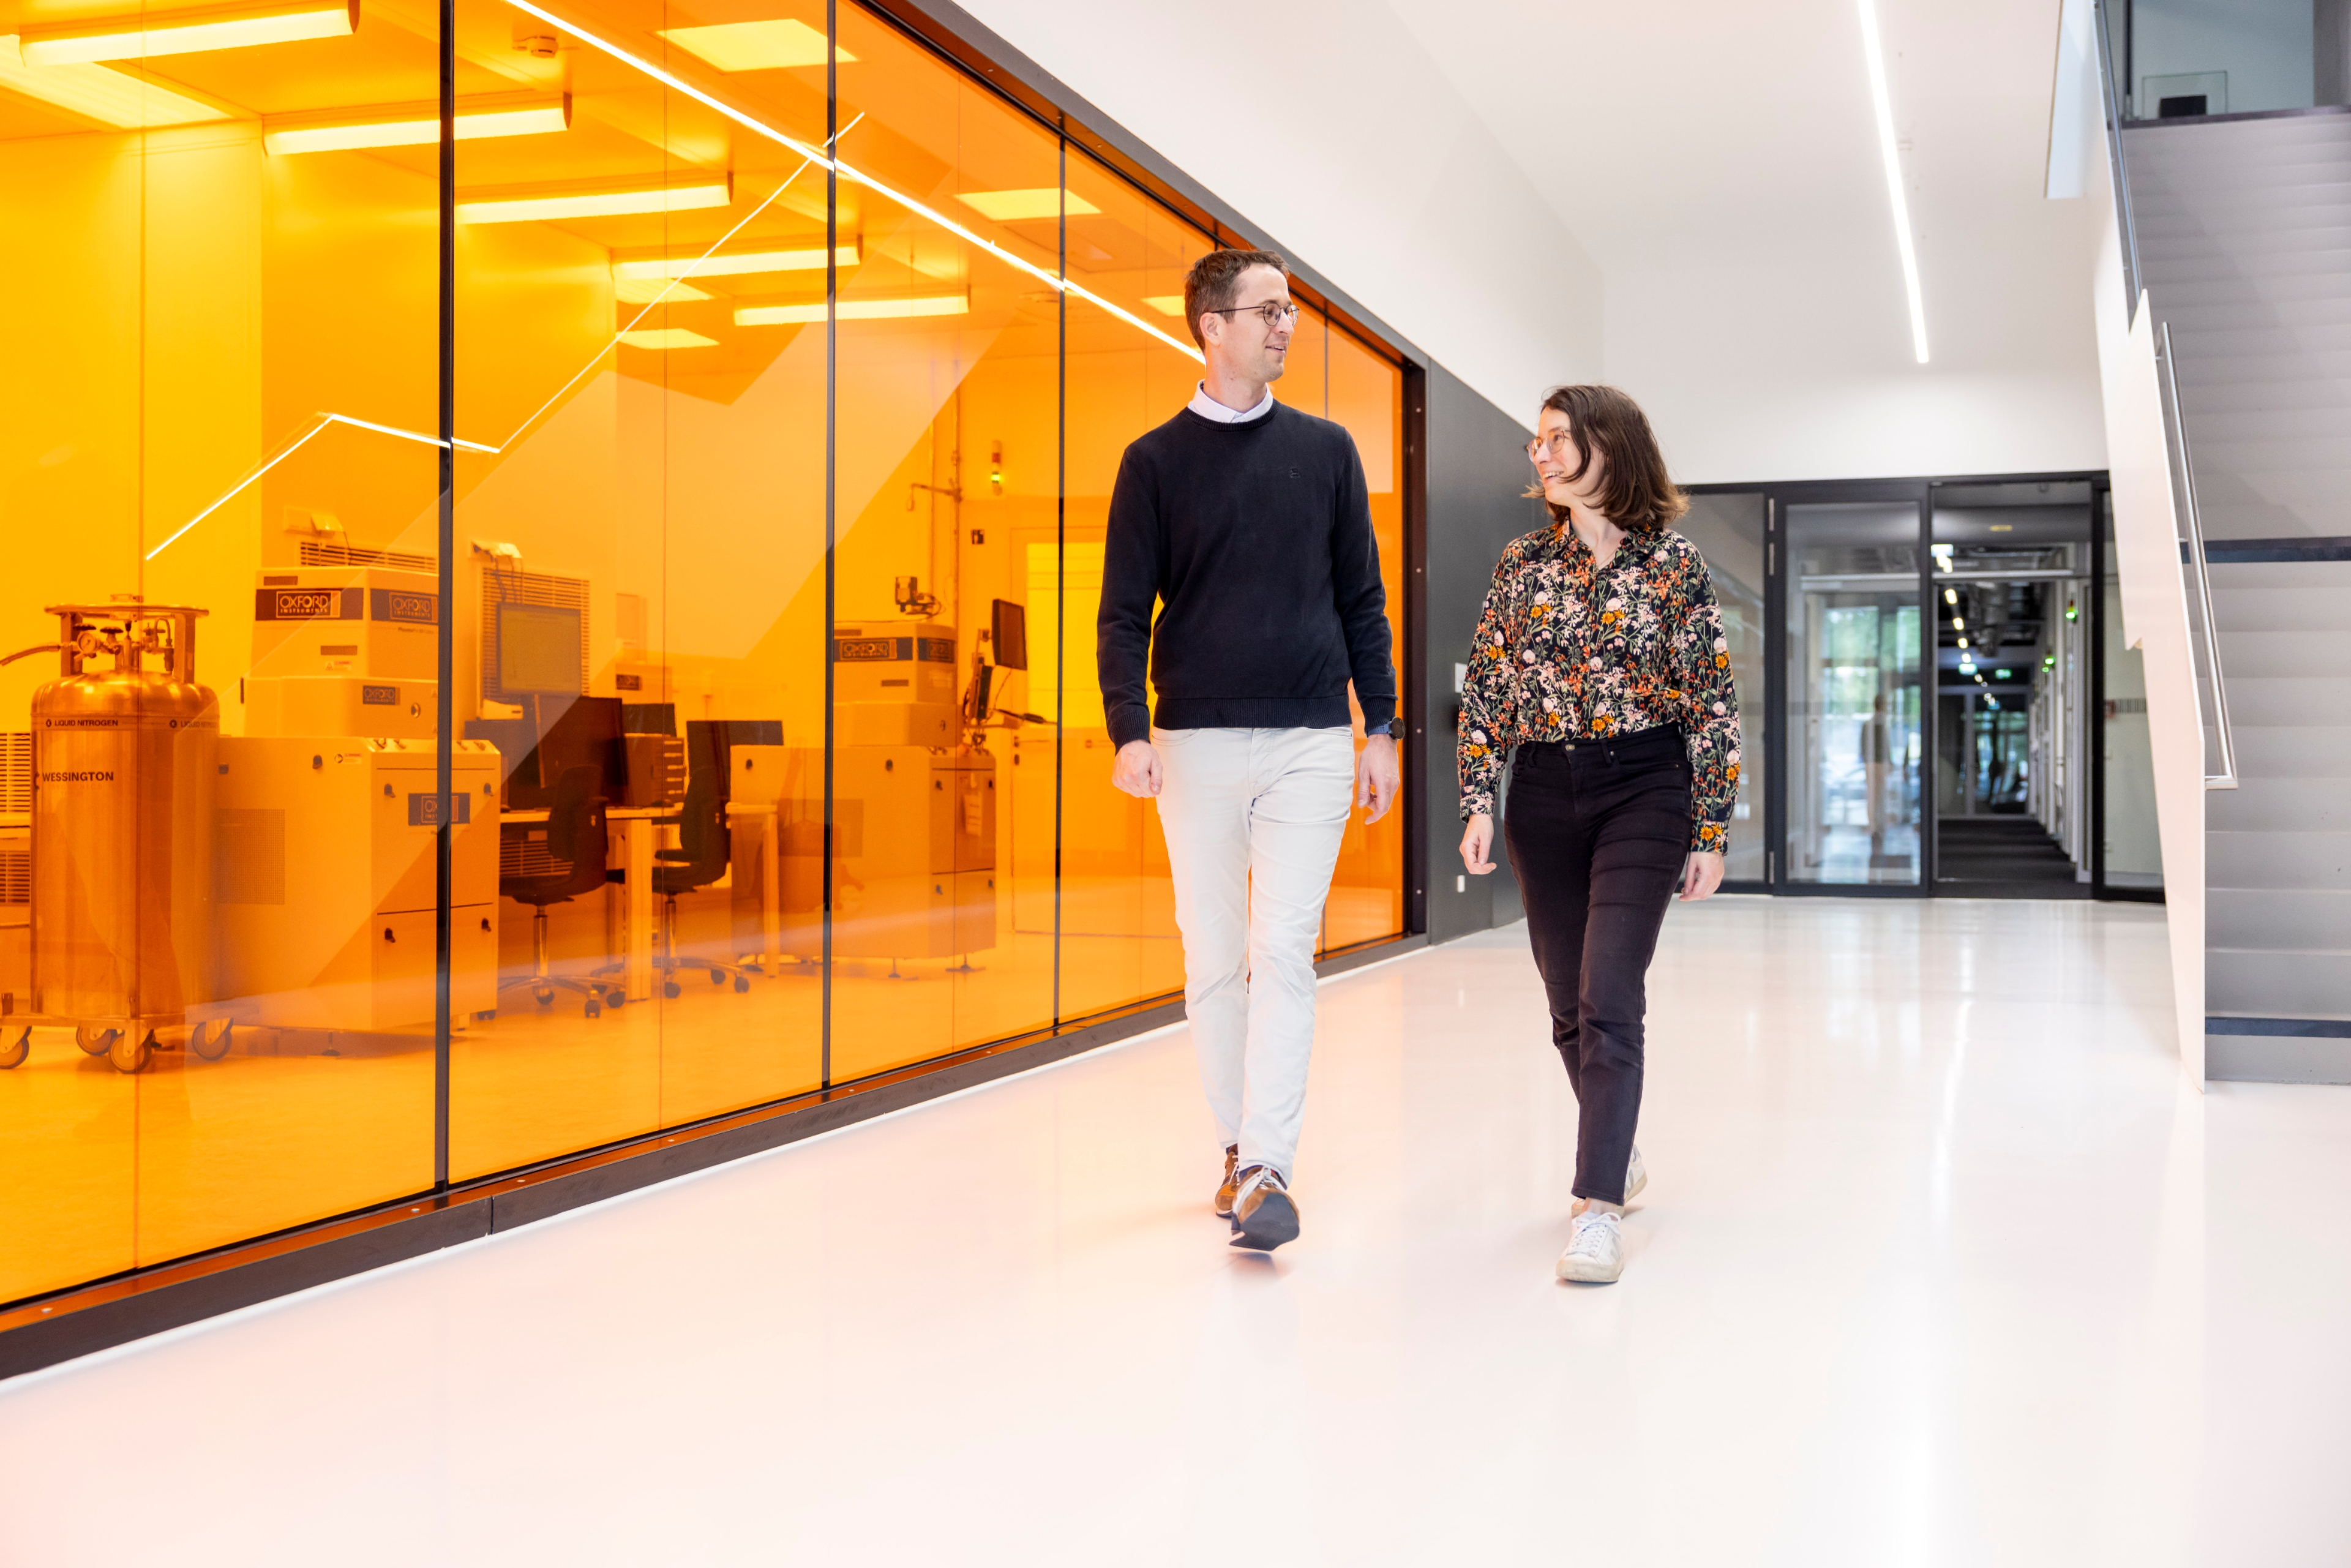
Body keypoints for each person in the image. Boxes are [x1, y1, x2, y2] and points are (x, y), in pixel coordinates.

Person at [1097, 247, 1401, 1253]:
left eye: (1289, 311)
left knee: (1284, 952)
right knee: (1213, 956)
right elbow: (1120, 614)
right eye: (1266, 310)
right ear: (1209, 324)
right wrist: (1127, 729)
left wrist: (1384, 726)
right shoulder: (1152, 463)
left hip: (1312, 737)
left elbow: (1363, 596)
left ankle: (1269, 1163)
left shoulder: (1328, 452)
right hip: (1196, 741)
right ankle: (1235, 1145)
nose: (1285, 326)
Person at [1457, 384, 1739, 1285]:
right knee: (1567, 1005)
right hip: (1542, 792)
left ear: (1604, 447)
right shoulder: (1521, 563)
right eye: (1535, 443)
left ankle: (1597, 1208)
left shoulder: (1674, 566)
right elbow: (1490, 688)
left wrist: (1711, 825)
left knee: (1610, 987)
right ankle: (1618, 1144)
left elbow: (1710, 701)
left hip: (1644, 786)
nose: (1537, 455)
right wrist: (1477, 798)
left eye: (1553, 440)